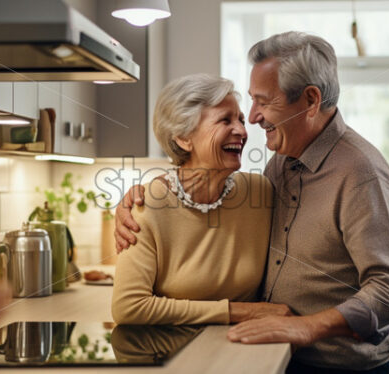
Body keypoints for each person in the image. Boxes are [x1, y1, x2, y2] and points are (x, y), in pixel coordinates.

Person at [114, 32, 389, 373]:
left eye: (263, 102)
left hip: (337, 366)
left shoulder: (362, 174)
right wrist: (134, 200)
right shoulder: (280, 166)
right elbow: (199, 190)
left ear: (311, 100)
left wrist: (306, 326)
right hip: (273, 356)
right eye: (245, 108)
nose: (252, 120)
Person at [111, 74, 291, 326]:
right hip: (172, 355)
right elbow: (128, 307)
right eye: (224, 120)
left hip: (247, 348)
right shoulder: (147, 206)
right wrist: (239, 312)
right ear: (184, 138)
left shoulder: (260, 193)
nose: (241, 130)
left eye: (240, 119)